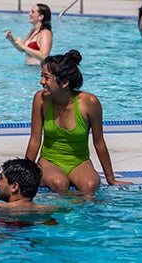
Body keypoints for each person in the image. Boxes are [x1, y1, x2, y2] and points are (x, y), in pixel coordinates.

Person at [24, 50, 132, 194]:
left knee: (90, 185)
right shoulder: (41, 99)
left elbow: (99, 142)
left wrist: (110, 178)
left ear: (64, 83)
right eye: (41, 76)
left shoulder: (89, 103)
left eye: (47, 77)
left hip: (79, 163)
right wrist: (24, 175)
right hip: (49, 161)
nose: (41, 82)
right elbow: (35, 139)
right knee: (59, 183)